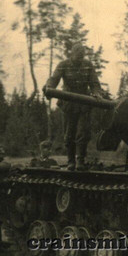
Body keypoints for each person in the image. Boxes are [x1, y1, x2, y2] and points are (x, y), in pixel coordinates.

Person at [43, 43, 104, 171]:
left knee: (83, 132)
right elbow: (54, 79)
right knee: (69, 133)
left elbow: (94, 83)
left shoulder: (88, 65)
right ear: (72, 54)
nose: (79, 60)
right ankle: (71, 161)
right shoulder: (63, 65)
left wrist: (97, 93)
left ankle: (80, 160)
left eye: (82, 57)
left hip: (84, 103)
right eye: (78, 57)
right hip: (68, 103)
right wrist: (49, 88)